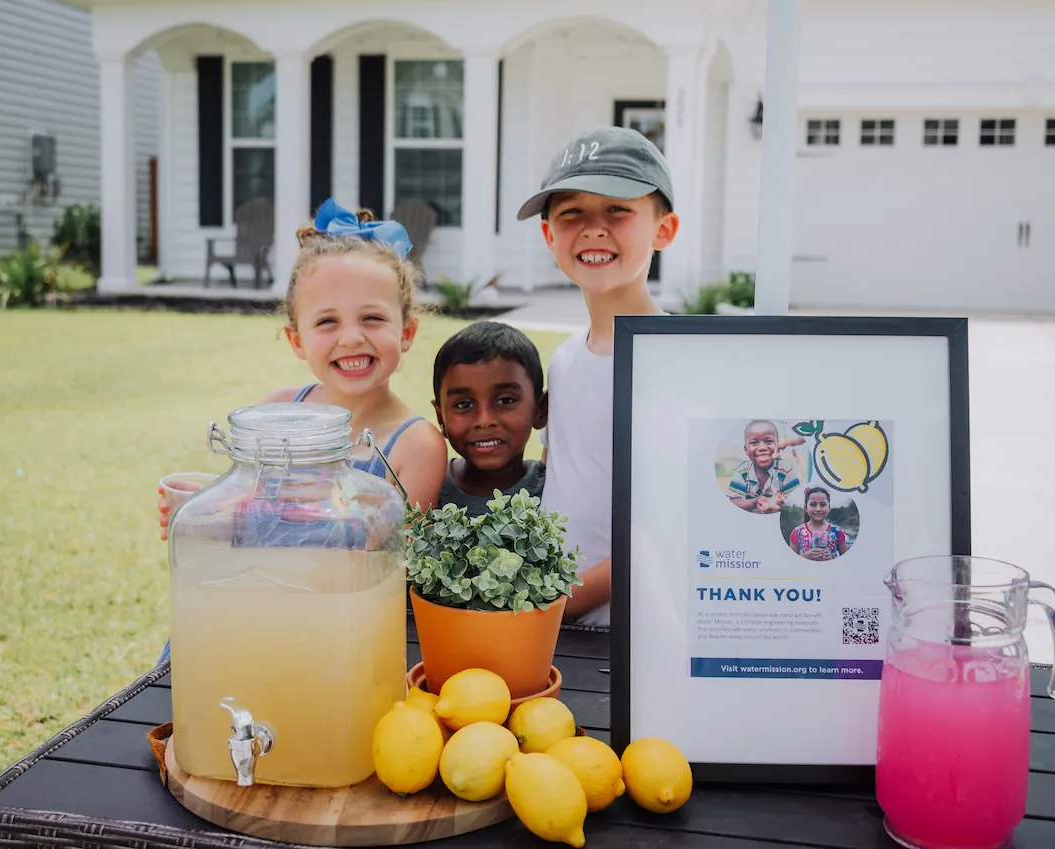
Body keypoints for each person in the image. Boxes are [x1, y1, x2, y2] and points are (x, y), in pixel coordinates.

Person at [157, 198, 448, 542]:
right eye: (327, 321)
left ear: (407, 333)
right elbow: (249, 523)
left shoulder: (416, 447)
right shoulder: (275, 414)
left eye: (373, 318)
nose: (352, 338)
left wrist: (364, 516)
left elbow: (395, 565)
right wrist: (202, 512)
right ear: (297, 341)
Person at [514, 125, 681, 626]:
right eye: (572, 214)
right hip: (561, 626)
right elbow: (557, 476)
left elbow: (671, 523)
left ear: (663, 230)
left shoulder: (677, 363)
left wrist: (563, 603)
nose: (593, 228)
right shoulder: (565, 360)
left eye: (618, 209)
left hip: (640, 629)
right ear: (549, 235)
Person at [432, 321, 547, 517]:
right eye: (464, 405)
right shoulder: (427, 487)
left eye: (506, 400)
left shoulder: (553, 488)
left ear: (540, 410)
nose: (484, 420)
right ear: (440, 417)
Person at [726, 419, 802, 514]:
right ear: (746, 450)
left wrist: (782, 502)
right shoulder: (743, 471)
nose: (762, 448)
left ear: (777, 446)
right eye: (754, 442)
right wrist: (755, 502)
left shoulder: (785, 469)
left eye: (768, 441)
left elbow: (796, 501)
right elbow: (734, 501)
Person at [788, 487, 849, 561]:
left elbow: (846, 561)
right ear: (805, 507)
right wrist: (804, 557)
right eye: (813, 504)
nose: (818, 509)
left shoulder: (837, 532)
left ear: (829, 507)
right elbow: (790, 562)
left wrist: (832, 559)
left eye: (823, 505)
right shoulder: (797, 532)